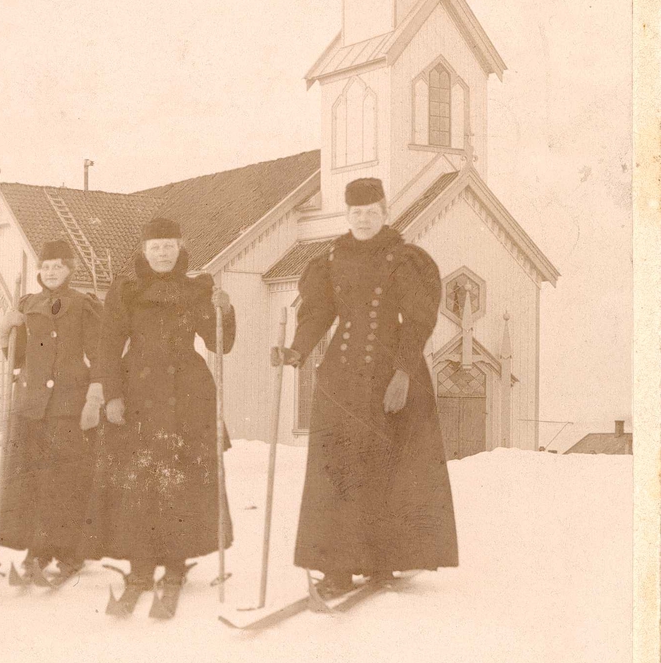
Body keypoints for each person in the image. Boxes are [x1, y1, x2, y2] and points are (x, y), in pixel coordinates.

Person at [273, 177, 458, 596]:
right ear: (347, 215)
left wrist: (403, 374)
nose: (363, 220)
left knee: (388, 468)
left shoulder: (406, 260)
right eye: (356, 213)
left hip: (392, 371)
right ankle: (336, 567)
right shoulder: (331, 258)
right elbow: (318, 314)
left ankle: (383, 561)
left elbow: (418, 321)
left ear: (385, 213)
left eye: (371, 212)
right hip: (342, 375)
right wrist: (298, 351)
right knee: (337, 469)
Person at [85, 217, 235, 595]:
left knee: (181, 479)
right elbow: (107, 346)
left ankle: (175, 562)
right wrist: (112, 395)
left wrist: (224, 311)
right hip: (137, 394)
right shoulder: (126, 290)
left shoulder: (197, 288)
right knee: (140, 480)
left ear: (180, 246)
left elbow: (220, 343)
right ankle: (140, 563)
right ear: (144, 250)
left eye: (169, 245)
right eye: (156, 247)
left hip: (189, 395)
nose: (163, 252)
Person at [0, 239, 103, 580]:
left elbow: (100, 356)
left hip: (69, 404)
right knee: (33, 478)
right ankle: (37, 549)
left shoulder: (85, 304)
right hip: (32, 405)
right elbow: (16, 357)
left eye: (58, 266)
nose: (51, 272)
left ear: (70, 269)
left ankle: (69, 551)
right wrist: (6, 329)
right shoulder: (27, 303)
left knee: (66, 479)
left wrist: (94, 397)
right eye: (46, 266)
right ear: (39, 270)